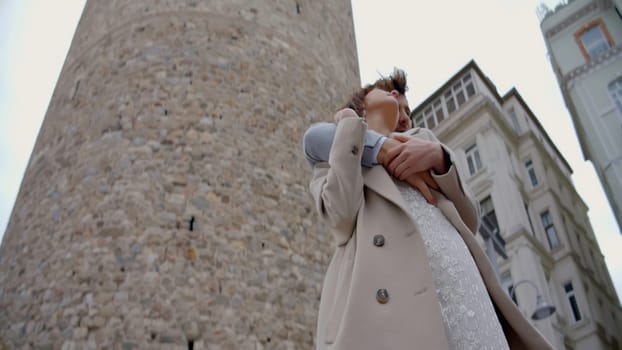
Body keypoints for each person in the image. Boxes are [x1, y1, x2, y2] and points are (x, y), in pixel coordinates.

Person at [303, 71, 553, 349]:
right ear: (361, 105)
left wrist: (440, 159)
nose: (403, 110)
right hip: (389, 296)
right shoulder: (335, 152)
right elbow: (340, 217)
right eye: (389, 95)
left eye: (408, 109)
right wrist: (352, 131)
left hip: (459, 284)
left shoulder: (423, 139)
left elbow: (469, 219)